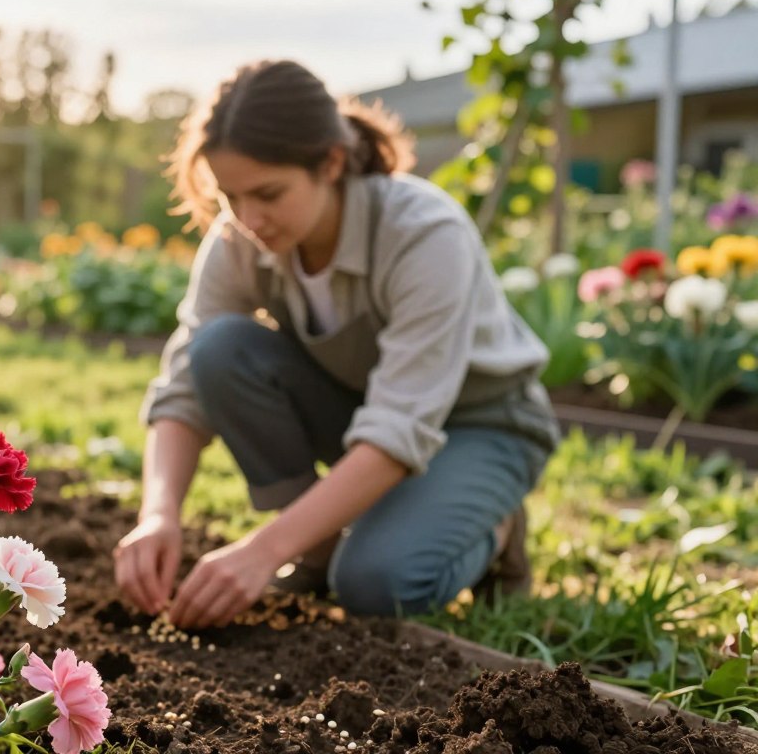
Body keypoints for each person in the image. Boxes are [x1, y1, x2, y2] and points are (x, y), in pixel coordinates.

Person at [112, 60, 561, 630]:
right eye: (230, 195)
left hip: (481, 423)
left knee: (376, 583)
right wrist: (158, 514)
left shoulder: (424, 233)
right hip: (364, 407)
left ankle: (495, 528)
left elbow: (399, 428)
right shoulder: (241, 240)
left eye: (269, 193)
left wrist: (263, 550)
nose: (249, 218)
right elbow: (183, 386)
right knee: (221, 349)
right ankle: (319, 550)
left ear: (331, 161)